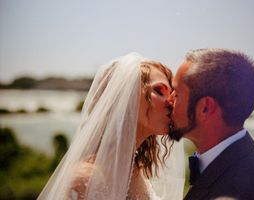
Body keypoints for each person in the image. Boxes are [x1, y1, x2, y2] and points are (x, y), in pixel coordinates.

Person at [38, 53, 185, 200]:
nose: (171, 102)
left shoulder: (135, 171)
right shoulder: (86, 179)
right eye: (159, 91)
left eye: (172, 94)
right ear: (126, 97)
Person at [168, 48, 254, 200]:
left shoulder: (232, 193)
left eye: (176, 93)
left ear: (205, 108)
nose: (169, 99)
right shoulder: (241, 163)